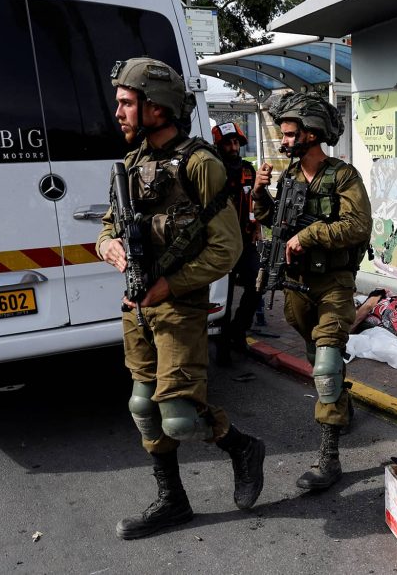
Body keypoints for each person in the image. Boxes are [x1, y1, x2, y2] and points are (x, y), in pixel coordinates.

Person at [96, 58, 265, 540]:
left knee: (179, 416)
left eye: (128, 103)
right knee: (142, 406)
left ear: (157, 107)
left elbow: (227, 248)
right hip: (138, 306)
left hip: (179, 305)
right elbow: (110, 225)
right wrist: (108, 246)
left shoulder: (200, 164)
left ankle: (243, 447)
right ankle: (173, 502)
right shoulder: (130, 164)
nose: (120, 113)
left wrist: (170, 284)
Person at [252, 92, 371, 491]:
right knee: (321, 358)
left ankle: (329, 458)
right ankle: (341, 398)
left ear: (311, 133)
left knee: (323, 368)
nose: (283, 142)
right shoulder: (287, 178)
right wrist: (259, 194)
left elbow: (358, 226)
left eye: (289, 135)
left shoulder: (343, 176)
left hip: (333, 284)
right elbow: (276, 224)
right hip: (296, 287)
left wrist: (313, 233)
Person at [210, 122, 263, 365]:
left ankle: (238, 331)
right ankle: (222, 351)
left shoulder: (248, 170)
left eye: (235, 143)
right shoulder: (212, 171)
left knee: (257, 285)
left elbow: (254, 201)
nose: (233, 147)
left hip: (245, 240)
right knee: (226, 297)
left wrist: (257, 227)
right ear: (219, 146)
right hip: (219, 244)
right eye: (228, 143)